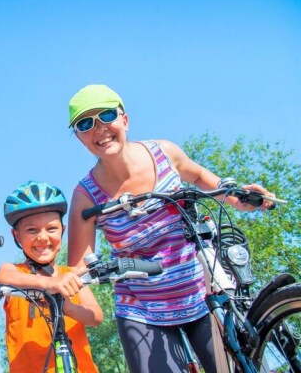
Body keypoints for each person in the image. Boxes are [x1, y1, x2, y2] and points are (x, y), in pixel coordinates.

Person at [65, 84, 277, 373]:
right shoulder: (85, 197)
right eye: (85, 123)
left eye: (106, 115)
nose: (99, 128)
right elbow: (77, 267)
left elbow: (201, 176)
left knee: (240, 366)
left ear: (124, 119)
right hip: (142, 309)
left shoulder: (163, 153)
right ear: (79, 137)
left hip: (200, 292)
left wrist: (238, 196)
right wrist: (56, 287)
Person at [0, 180, 103, 373]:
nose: (43, 237)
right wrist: (50, 283)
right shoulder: (16, 271)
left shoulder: (70, 274)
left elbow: (96, 316)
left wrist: (66, 307)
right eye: (32, 230)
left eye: (51, 228)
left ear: (63, 230)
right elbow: (2, 277)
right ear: (17, 236)